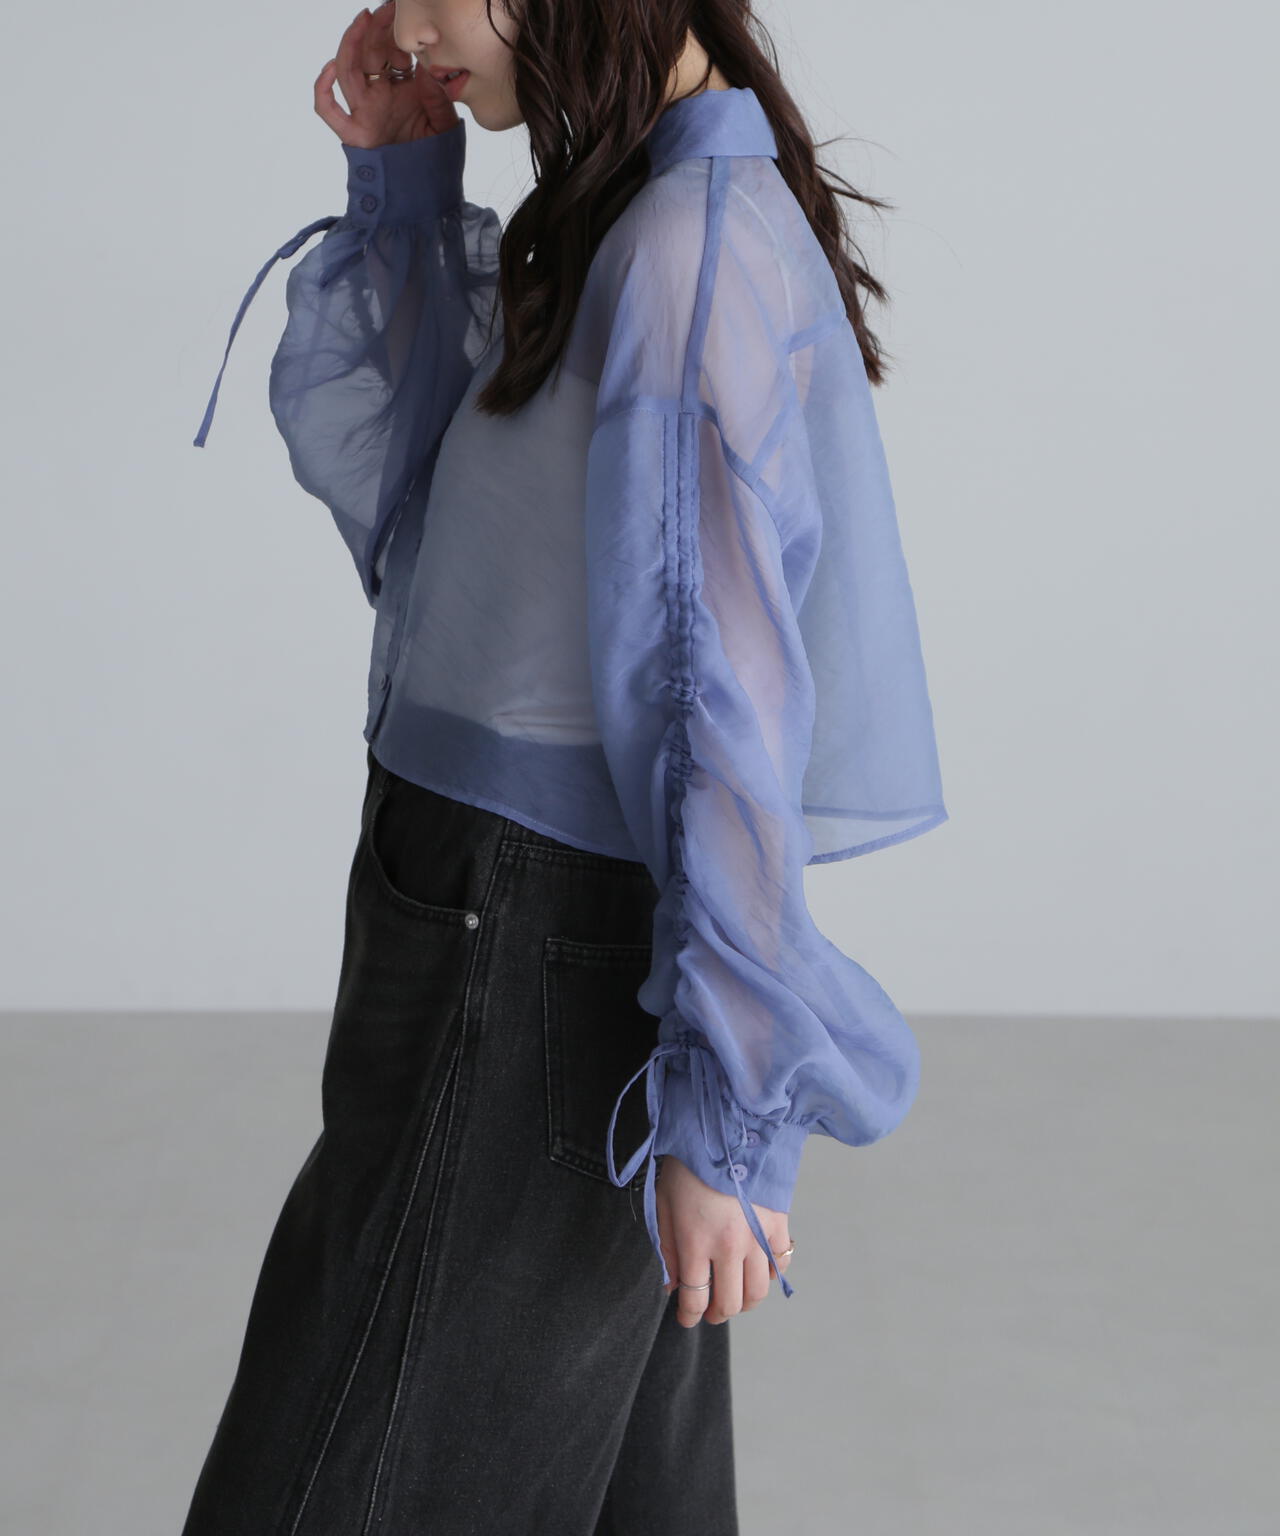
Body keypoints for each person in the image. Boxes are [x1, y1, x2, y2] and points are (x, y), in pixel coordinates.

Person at [183, 1, 948, 1530]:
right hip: (483, 909)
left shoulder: (684, 248)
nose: (404, 19)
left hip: (524, 935)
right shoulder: (631, 209)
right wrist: (409, 188)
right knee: (589, 1481)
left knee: (349, 1475)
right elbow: (447, 526)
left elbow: (714, 703)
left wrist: (724, 1114)